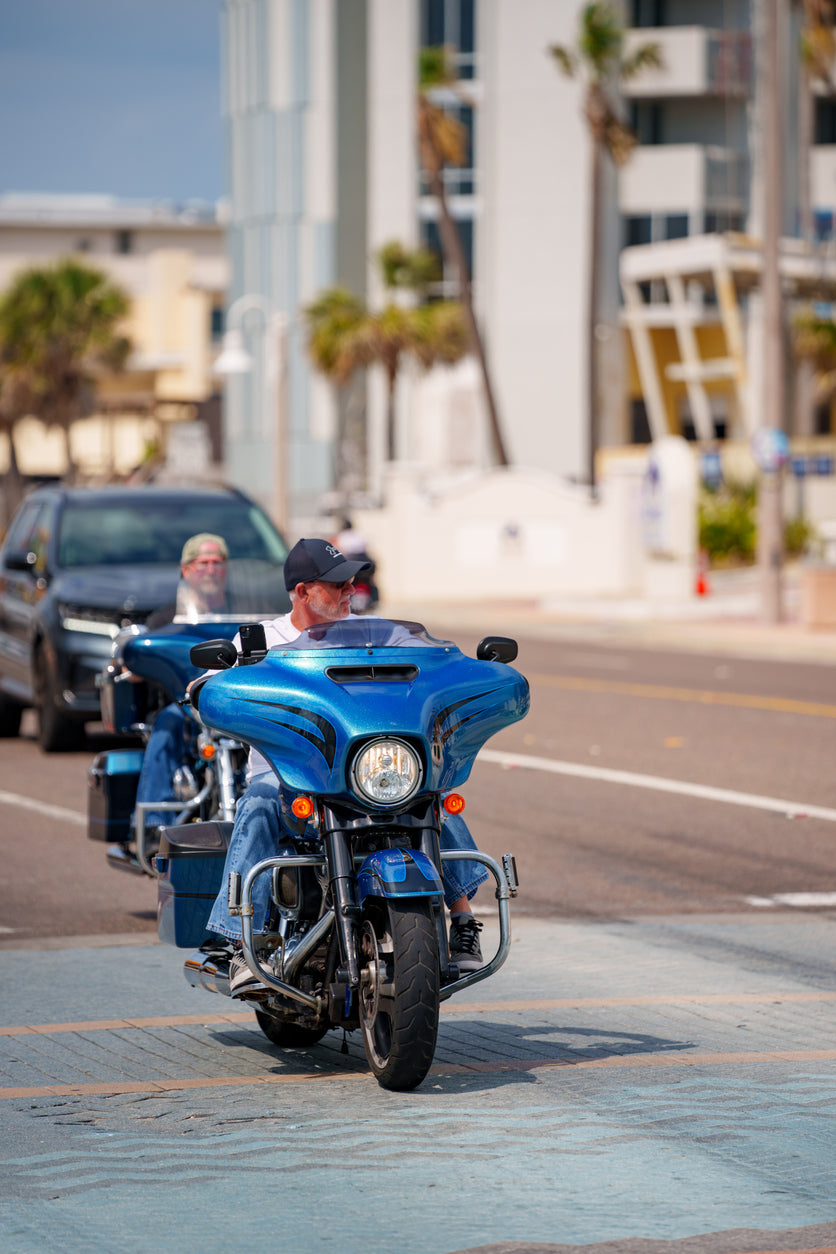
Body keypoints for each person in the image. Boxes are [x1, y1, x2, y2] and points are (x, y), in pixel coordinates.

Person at [203, 536, 488, 997]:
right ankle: (244, 942)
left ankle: (463, 920)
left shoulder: (375, 632)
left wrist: (468, 671)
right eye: (335, 583)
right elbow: (216, 683)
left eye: (350, 581)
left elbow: (436, 663)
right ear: (301, 591)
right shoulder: (262, 639)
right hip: (285, 779)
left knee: (429, 793)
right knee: (255, 805)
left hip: (364, 772)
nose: (348, 590)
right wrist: (209, 685)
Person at [130, 534, 230, 845]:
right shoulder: (165, 618)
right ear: (186, 570)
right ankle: (153, 824)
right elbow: (140, 660)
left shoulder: (249, 611)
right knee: (168, 721)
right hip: (187, 707)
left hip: (235, 703)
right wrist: (133, 662)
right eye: (203, 563)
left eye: (218, 563)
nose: (211, 570)